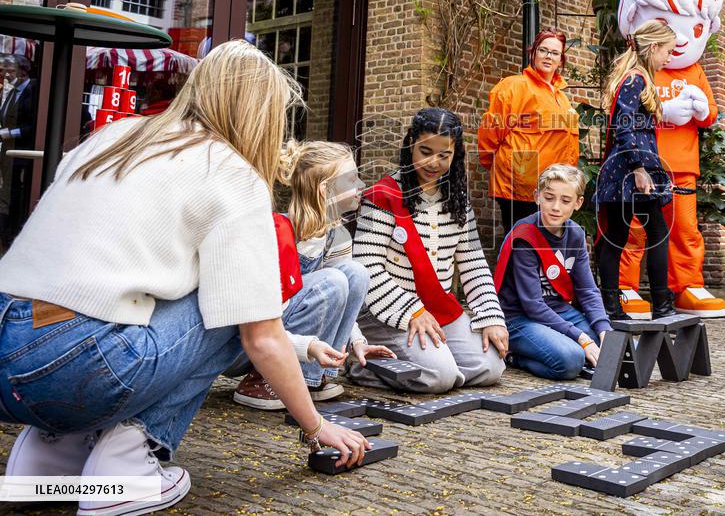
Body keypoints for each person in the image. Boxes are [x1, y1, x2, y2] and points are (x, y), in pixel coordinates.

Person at [0, 41, 369, 515]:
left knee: (132, 309)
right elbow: (257, 334)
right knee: (231, 298)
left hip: (10, 357)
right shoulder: (231, 173)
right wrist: (318, 427)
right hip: (78, 369)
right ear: (259, 115)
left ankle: (50, 459)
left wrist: (303, 345)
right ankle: (130, 465)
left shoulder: (113, 137)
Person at [225, 140, 395, 409]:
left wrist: (358, 342)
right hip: (247, 342)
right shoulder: (279, 232)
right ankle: (265, 378)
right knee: (333, 280)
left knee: (355, 273)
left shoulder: (336, 236)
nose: (362, 185)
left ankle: (311, 378)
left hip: (294, 340)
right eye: (352, 179)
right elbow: (256, 315)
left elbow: (342, 297)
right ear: (325, 190)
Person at [349, 108, 509, 393]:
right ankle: (359, 364)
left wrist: (491, 318)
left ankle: (430, 367)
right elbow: (367, 267)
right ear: (411, 144)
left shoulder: (458, 201)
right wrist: (412, 311)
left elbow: (474, 264)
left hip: (439, 308)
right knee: (440, 376)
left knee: (491, 367)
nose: (433, 162)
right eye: (425, 151)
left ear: (455, 154)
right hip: (387, 310)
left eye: (444, 155)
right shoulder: (381, 196)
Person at [615, 0, 725, 318]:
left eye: (694, 28)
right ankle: (625, 287)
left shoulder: (694, 72)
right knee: (634, 228)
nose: (679, 40)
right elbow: (624, 115)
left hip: (683, 166)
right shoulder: (641, 70)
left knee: (684, 229)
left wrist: (699, 110)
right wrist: (663, 112)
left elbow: (710, 115)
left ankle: (688, 284)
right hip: (645, 166)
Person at [496, 164, 612, 380]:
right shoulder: (525, 237)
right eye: (549, 198)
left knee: (609, 345)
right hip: (520, 318)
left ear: (578, 203)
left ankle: (568, 343)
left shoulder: (576, 235)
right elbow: (533, 305)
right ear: (537, 197)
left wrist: (604, 330)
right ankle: (514, 357)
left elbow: (587, 289)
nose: (556, 207)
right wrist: (580, 338)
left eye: (565, 201)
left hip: (559, 311)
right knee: (571, 360)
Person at [594, 19, 675, 321]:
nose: (669, 58)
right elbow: (622, 126)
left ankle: (612, 309)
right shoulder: (635, 80)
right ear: (653, 47)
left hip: (629, 169)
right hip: (631, 170)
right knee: (655, 233)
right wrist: (640, 169)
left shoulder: (636, 78)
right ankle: (661, 307)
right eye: (667, 51)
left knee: (617, 235)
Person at [478, 28, 580, 235]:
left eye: (554, 53)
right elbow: (490, 133)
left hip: (553, 187)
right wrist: (504, 169)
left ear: (561, 60)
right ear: (533, 53)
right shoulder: (513, 87)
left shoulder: (562, 98)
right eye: (543, 50)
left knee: (543, 251)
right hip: (521, 187)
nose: (548, 56)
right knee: (521, 247)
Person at [0, 54, 36, 248]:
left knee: (14, 192)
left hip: (20, 152)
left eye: (10, 71)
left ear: (23, 71)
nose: (6, 74)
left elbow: (32, 125)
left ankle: (11, 232)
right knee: (5, 190)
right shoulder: (13, 91)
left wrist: (6, 133)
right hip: (7, 150)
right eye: (4, 70)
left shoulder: (32, 90)